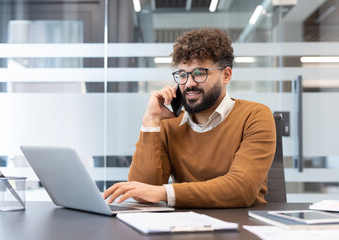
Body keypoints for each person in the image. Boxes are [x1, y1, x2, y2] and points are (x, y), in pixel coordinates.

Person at [103, 28, 276, 208]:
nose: (189, 84)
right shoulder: (170, 125)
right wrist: (151, 121)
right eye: (183, 75)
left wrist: (164, 192)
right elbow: (143, 191)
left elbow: (241, 189)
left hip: (242, 226)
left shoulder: (255, 116)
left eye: (200, 73)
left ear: (226, 75)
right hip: (184, 228)